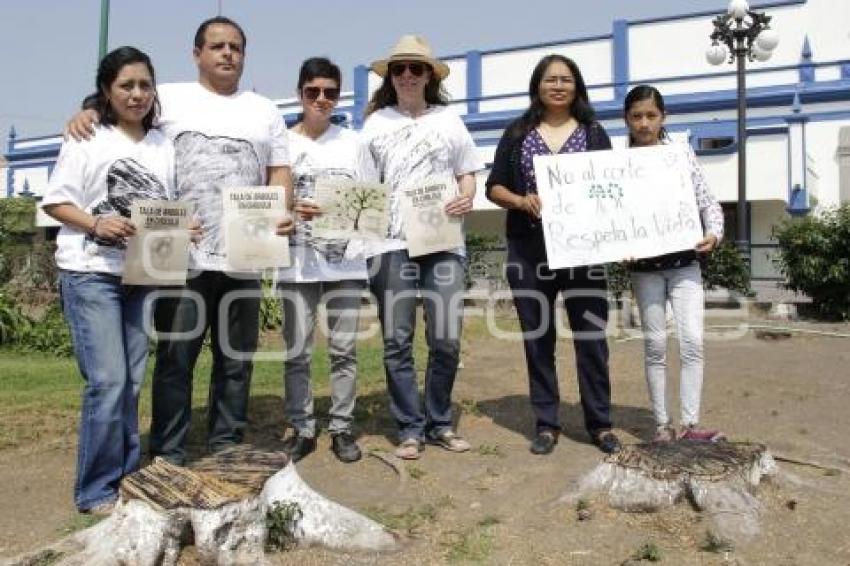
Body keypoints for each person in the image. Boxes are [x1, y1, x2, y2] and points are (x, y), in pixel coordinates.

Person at [66, 16, 295, 466]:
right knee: (177, 356)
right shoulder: (168, 97)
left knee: (236, 358)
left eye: (235, 47)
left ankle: (226, 443)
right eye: (217, 46)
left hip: (244, 256)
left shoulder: (263, 109)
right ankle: (169, 449)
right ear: (197, 54)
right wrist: (87, 111)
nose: (227, 53)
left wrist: (282, 211)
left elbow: (279, 171)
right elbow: (118, 103)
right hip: (179, 257)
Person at [43, 46, 173, 514]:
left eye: (144, 85)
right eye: (126, 86)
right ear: (106, 91)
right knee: (108, 381)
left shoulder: (163, 144)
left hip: (141, 273)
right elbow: (56, 202)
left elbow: (161, 205)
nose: (137, 94)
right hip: (89, 273)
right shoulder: (87, 136)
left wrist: (180, 227)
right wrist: (95, 224)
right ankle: (96, 490)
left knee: (132, 381)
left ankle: (125, 476)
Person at [486, 54, 621, 455]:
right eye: (550, 80)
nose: (558, 86)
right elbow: (493, 187)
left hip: (584, 251)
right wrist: (520, 200)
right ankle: (547, 423)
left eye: (566, 79)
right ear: (537, 86)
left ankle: (600, 424)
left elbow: (614, 189)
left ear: (577, 86)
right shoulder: (517, 133)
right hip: (529, 250)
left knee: (592, 338)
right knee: (538, 339)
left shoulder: (595, 133)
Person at [359, 35, 483, 460]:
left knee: (446, 337)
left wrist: (467, 195)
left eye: (416, 68)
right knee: (397, 340)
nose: (408, 75)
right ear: (389, 77)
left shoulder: (450, 120)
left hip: (444, 242)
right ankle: (410, 427)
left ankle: (440, 422)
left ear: (430, 74)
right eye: (400, 69)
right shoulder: (375, 125)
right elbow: (364, 190)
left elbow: (468, 172)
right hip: (391, 244)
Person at [276, 57, 366, 463]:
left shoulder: (354, 143)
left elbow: (370, 203)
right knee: (297, 351)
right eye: (313, 91)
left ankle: (343, 428)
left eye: (330, 92)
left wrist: (331, 209)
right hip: (295, 262)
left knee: (344, 349)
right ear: (300, 94)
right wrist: (290, 210)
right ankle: (303, 426)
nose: (321, 99)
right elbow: (267, 200)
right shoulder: (280, 143)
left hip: (345, 262)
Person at [623, 85, 725, 442]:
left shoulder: (681, 155)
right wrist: (620, 244)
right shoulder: (616, 165)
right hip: (644, 269)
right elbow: (613, 217)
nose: (644, 123)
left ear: (663, 117)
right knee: (654, 345)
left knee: (692, 340)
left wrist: (714, 233)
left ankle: (691, 425)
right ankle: (663, 425)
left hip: (685, 263)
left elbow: (707, 201)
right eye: (637, 116)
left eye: (651, 115)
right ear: (627, 119)